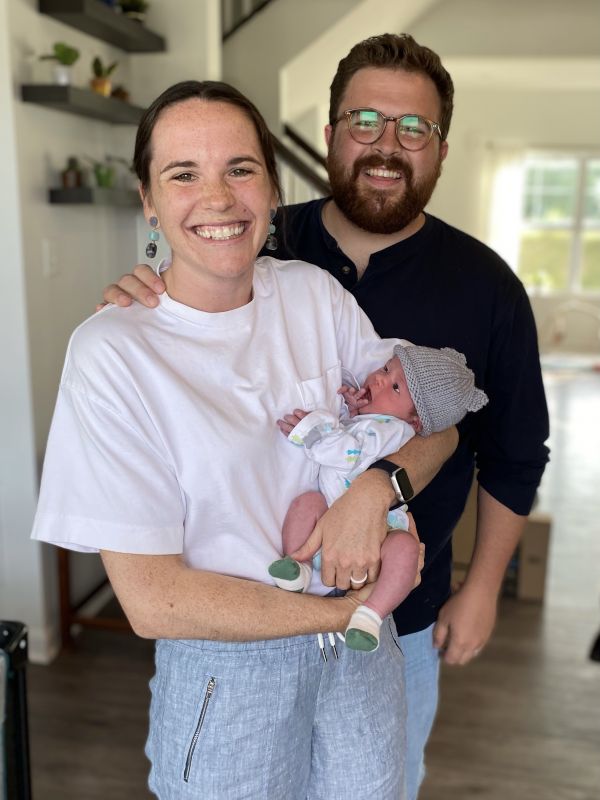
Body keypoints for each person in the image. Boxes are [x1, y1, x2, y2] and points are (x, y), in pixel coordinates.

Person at [100, 33, 550, 800]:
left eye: (414, 128)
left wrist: (480, 588)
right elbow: (188, 289)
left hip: (397, 617)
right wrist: (142, 297)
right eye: (364, 120)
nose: (386, 144)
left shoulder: (487, 287)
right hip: (249, 619)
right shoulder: (260, 239)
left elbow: (513, 452)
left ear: (441, 150)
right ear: (332, 132)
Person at [31, 79, 459, 799]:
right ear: (148, 200)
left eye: (240, 168)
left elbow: (437, 427)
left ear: (272, 186)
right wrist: (343, 612)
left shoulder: (312, 295)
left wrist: (373, 488)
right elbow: (155, 602)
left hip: (361, 662)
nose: (218, 197)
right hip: (231, 674)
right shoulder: (114, 352)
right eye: (183, 174)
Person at [271, 344, 488, 653]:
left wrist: (312, 432)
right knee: (305, 505)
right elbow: (355, 433)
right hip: (330, 516)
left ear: (415, 422)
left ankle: (371, 613)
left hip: (376, 535)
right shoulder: (377, 420)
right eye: (387, 369)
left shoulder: (394, 431)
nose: (380, 379)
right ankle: (299, 565)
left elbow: (350, 453)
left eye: (395, 387)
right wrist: (353, 410)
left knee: (405, 548)